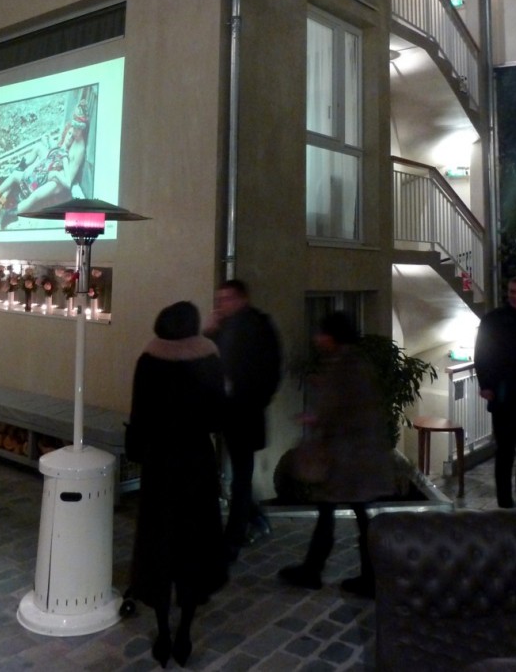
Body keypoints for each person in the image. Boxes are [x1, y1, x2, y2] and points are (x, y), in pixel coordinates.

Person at [126, 301, 228, 668]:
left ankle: (162, 633)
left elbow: (138, 417)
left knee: (159, 545)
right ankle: (184, 632)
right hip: (196, 463)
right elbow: (217, 418)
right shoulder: (208, 359)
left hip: (160, 464)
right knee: (193, 545)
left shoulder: (148, 360)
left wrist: (138, 449)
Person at [278, 312, 394, 598]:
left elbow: (335, 411)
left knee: (337, 510)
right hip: (357, 455)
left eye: (322, 333)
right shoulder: (354, 363)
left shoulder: (344, 366)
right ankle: (358, 575)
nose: (318, 339)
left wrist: (314, 418)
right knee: (349, 512)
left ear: (332, 337)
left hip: (348, 457)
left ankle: (323, 572)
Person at [204, 278, 282, 561]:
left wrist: (252, 399)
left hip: (245, 413)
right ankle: (255, 519)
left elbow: (271, 370)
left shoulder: (258, 327)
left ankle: (233, 539)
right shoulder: (225, 327)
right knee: (239, 473)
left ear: (241, 299)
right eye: (219, 300)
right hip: (228, 413)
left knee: (241, 475)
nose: (221, 304)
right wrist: (211, 332)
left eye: (226, 299)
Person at [474, 275, 516, 508]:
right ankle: (504, 502)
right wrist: (486, 385)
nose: (514, 296)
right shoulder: (494, 320)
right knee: (505, 452)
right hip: (504, 398)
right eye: (511, 291)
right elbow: (481, 353)